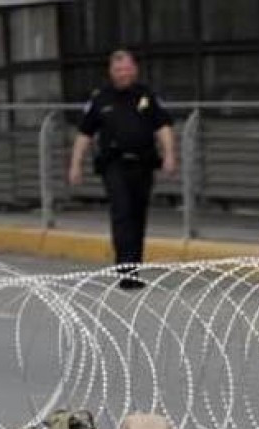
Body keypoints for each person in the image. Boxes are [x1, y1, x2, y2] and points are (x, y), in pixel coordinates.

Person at [68, 50, 177, 289]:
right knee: (122, 213)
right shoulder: (101, 99)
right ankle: (125, 270)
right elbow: (85, 134)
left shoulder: (146, 96)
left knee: (138, 216)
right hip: (114, 165)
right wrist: (75, 165)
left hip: (143, 163)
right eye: (118, 70)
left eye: (127, 69)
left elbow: (163, 127)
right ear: (111, 72)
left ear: (134, 70)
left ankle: (134, 268)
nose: (123, 74)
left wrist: (169, 155)